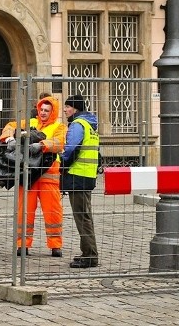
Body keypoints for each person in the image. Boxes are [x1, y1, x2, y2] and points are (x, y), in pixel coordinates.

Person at [0, 95, 66, 257]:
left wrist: (42, 145)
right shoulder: (30, 123)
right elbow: (10, 125)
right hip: (28, 173)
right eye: (41, 109)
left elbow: (59, 142)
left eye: (47, 110)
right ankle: (22, 245)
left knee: (53, 212)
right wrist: (8, 138)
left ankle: (55, 246)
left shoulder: (59, 127)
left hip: (48, 175)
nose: (43, 113)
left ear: (53, 112)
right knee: (24, 211)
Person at [61, 94, 100, 268]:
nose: (65, 110)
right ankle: (87, 251)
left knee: (82, 217)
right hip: (87, 175)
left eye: (67, 107)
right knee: (85, 216)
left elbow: (70, 150)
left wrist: (62, 163)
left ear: (75, 109)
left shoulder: (78, 125)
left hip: (78, 176)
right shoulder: (90, 125)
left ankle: (90, 255)